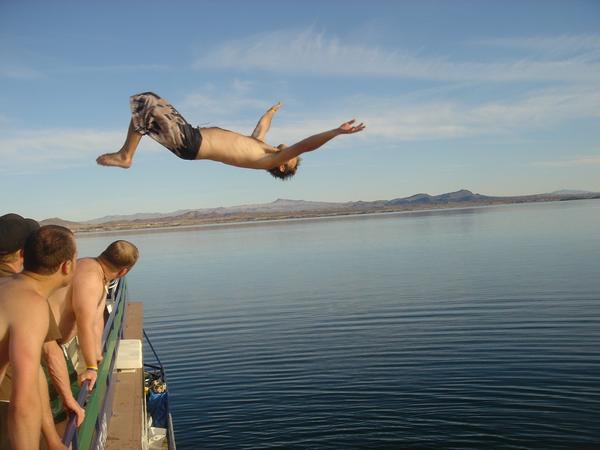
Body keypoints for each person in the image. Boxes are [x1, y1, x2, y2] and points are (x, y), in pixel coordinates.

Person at [96, 92, 365, 179]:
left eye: (292, 157)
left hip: (192, 143)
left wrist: (336, 132)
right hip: (192, 136)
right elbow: (262, 127)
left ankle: (126, 156)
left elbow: (306, 146)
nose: (291, 150)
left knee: (148, 102)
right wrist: (271, 111)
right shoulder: (260, 148)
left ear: (283, 164)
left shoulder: (268, 161)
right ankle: (126, 153)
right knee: (144, 113)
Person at [0, 225, 77, 449]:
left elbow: (35, 378)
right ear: (67, 266)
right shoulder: (32, 305)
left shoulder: (7, 287)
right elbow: (23, 402)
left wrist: (52, 439)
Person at [49, 240, 139, 391]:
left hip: (51, 342)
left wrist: (97, 353)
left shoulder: (91, 266)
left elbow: (97, 318)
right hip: (45, 346)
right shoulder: (91, 280)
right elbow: (85, 324)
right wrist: (91, 367)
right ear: (124, 271)